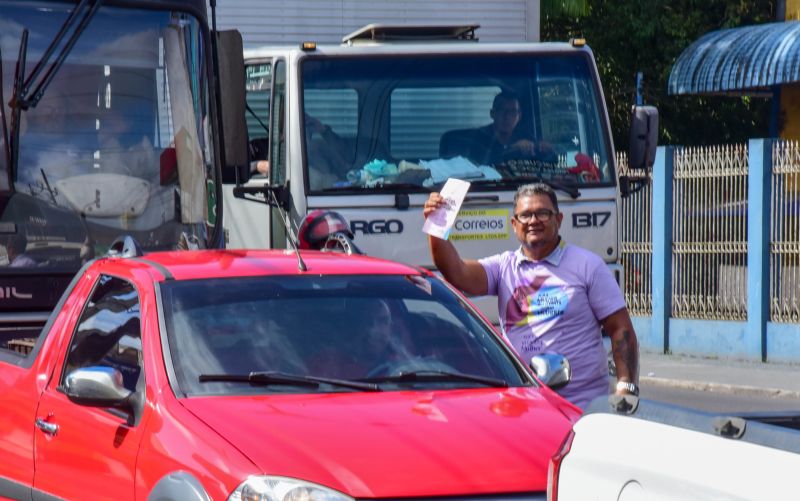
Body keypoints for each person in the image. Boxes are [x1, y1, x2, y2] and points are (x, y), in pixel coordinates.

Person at [423, 183, 639, 409]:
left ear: (559, 219)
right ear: (514, 225)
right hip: (523, 407)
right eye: (525, 215)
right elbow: (456, 272)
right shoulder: (503, 267)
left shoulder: (588, 266)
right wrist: (436, 225)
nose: (534, 221)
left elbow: (620, 329)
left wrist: (626, 388)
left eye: (543, 213)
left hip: (581, 407)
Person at [445, 90, 555, 166]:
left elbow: (547, 166)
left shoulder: (527, 138)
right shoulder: (476, 139)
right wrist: (511, 149)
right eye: (502, 110)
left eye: (513, 112)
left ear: (519, 116)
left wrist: (547, 151)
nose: (506, 117)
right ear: (493, 113)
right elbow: (481, 165)